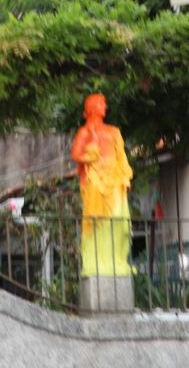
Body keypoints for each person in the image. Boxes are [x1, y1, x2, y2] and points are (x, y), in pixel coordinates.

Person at [71, 93, 135, 277]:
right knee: (97, 220)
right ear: (92, 108)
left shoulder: (113, 131)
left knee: (119, 222)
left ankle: (118, 261)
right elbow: (76, 154)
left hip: (114, 180)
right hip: (95, 181)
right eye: (102, 104)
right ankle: (95, 262)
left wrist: (125, 176)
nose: (105, 107)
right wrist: (90, 156)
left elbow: (121, 156)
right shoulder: (84, 132)